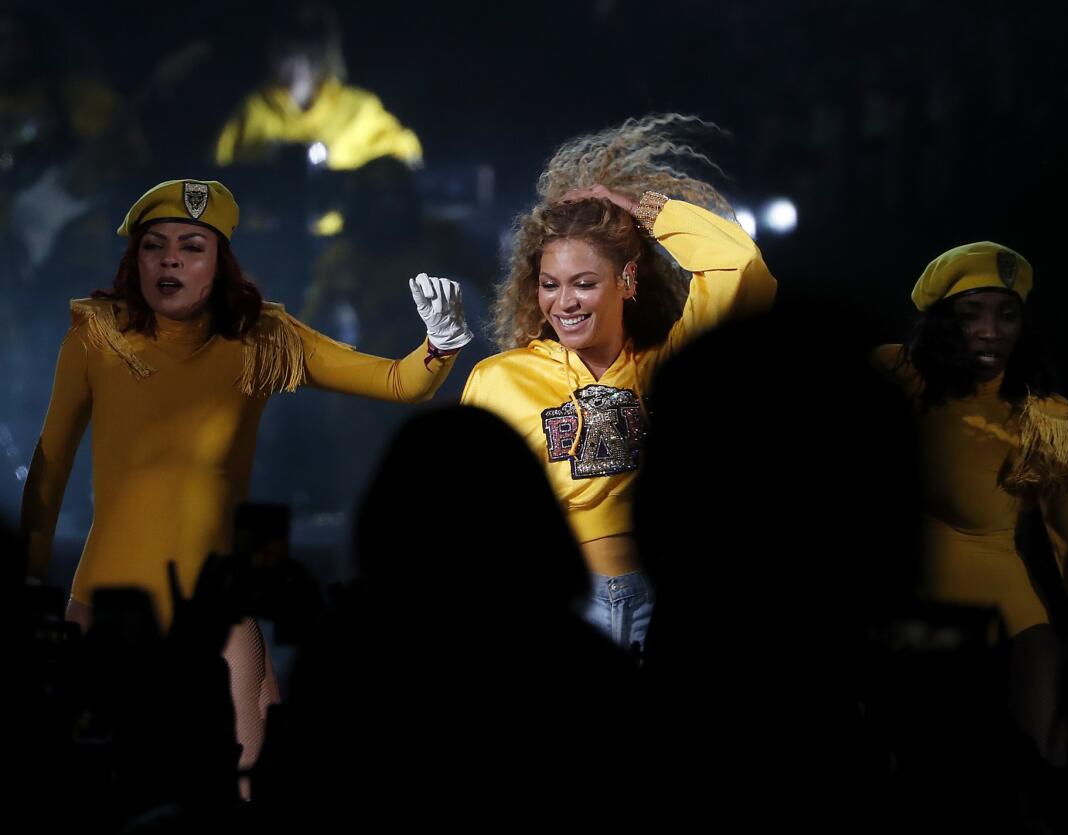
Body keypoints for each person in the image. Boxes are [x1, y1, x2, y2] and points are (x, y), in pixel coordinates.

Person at [19, 176, 470, 783]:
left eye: (191, 245)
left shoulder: (263, 338)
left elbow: (398, 382)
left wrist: (438, 344)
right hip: (107, 606)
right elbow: (50, 464)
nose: (170, 257)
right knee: (99, 789)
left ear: (219, 264)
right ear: (136, 260)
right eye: (154, 245)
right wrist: (28, 574)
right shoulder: (96, 338)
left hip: (218, 614)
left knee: (250, 787)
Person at [461, 115, 776, 650]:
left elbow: (739, 264)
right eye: (549, 285)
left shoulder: (672, 364)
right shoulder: (500, 380)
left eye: (584, 283)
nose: (564, 303)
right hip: (557, 602)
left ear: (627, 280)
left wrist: (640, 210)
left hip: (670, 596)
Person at [870, 241, 1068, 759]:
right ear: (940, 321)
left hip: (1008, 633)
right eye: (969, 314)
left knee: (1038, 785)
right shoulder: (891, 376)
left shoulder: (1045, 418)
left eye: (1007, 315)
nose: (990, 330)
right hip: (895, 623)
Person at [214, 2, 422, 171]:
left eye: (310, 52)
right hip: (266, 220)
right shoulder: (254, 109)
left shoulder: (358, 109)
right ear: (274, 51)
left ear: (326, 54)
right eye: (289, 50)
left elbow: (407, 157)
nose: (299, 63)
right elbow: (217, 170)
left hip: (341, 223)